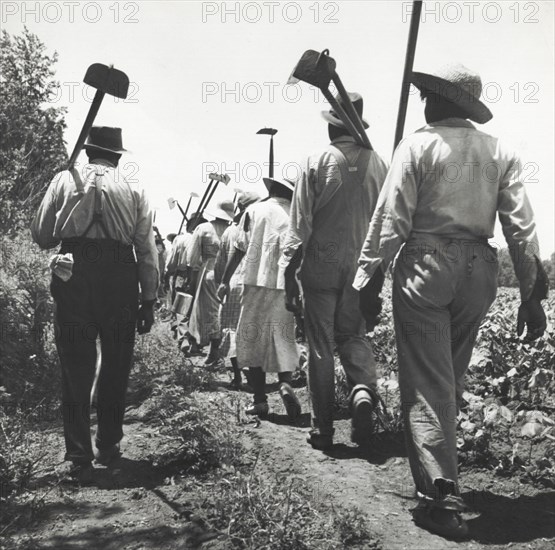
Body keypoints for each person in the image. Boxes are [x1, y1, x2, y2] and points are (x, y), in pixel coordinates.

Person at [354, 63, 549, 538]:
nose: (422, 101)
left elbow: (391, 218)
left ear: (442, 101)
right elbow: (521, 228)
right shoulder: (499, 149)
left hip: (426, 262)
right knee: (449, 376)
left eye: (427, 94)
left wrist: (368, 277)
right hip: (480, 269)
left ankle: (441, 496)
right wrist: (532, 292)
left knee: (426, 383)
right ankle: (442, 467)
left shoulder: (417, 144)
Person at [31, 126, 159, 482]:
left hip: (73, 272)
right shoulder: (134, 187)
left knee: (75, 365)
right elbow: (146, 249)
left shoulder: (64, 178)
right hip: (120, 275)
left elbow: (42, 236)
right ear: (118, 156)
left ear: (87, 152)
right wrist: (148, 299)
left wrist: (67, 198)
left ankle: (78, 456)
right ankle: (108, 444)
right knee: (116, 362)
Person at [281, 92, 388, 450]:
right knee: (353, 337)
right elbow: (388, 226)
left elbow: (298, 229)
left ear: (331, 127)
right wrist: (379, 276)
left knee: (321, 346)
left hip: (320, 268)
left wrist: (288, 274)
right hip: (361, 269)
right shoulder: (380, 165)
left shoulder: (315, 162)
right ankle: (361, 391)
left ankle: (323, 429)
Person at [218, 177, 302, 421]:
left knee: (251, 338)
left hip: (255, 281)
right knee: (283, 336)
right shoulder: (296, 215)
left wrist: (225, 279)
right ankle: (285, 383)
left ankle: (260, 400)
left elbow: (240, 247)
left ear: (272, 190)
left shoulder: (254, 210)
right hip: (285, 284)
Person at [214, 190, 261, 389]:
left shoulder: (229, 232)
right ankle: (253, 375)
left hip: (233, 283)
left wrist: (221, 283)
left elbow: (221, 262)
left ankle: (237, 376)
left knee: (232, 330)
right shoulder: (258, 226)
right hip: (254, 283)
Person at [186, 201, 234, 364]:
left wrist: (191, 275)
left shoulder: (203, 228)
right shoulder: (233, 230)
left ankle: (213, 350)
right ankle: (217, 349)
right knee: (224, 311)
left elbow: (191, 257)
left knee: (210, 312)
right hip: (229, 273)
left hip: (209, 270)